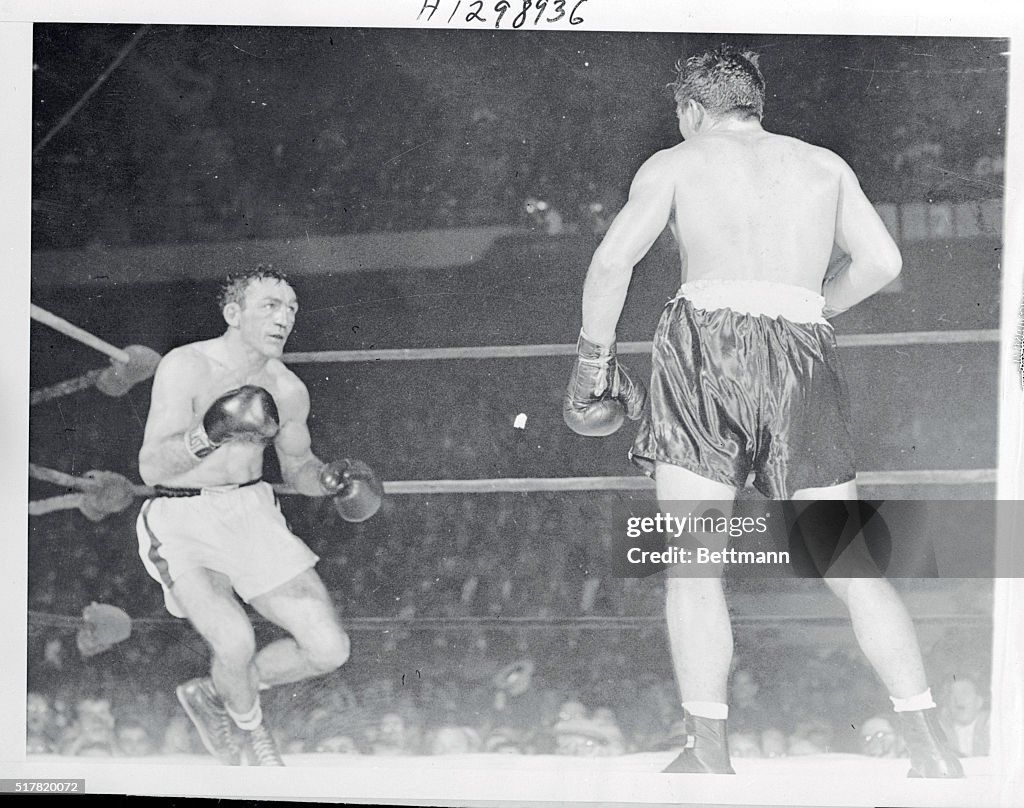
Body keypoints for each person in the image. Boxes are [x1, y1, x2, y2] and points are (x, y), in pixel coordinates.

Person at [563, 45, 962, 778]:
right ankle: (932, 745)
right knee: (851, 563)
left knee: (694, 566)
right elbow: (883, 263)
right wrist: (814, 308)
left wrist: (592, 364)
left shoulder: (675, 163)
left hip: (706, 347)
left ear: (690, 110)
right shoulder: (824, 164)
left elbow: (614, 261)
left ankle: (709, 753)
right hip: (800, 352)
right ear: (755, 104)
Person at [136, 265, 383, 766]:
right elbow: (149, 466)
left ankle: (217, 692)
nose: (284, 317)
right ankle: (251, 732)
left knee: (329, 647)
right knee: (233, 638)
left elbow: (297, 468)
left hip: (252, 512)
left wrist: (331, 479)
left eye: (291, 308)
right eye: (270, 305)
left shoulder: (287, 388)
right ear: (233, 313)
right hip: (183, 517)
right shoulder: (186, 366)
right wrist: (210, 434)